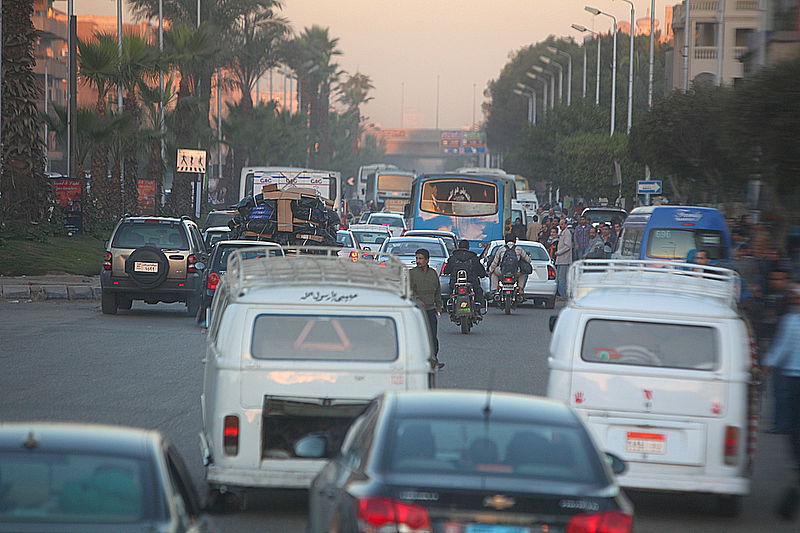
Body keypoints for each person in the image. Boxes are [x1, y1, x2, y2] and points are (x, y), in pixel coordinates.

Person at [762, 289, 800, 518]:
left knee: (794, 430)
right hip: (792, 378)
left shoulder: (790, 320)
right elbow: (782, 348)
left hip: (792, 380)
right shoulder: (790, 320)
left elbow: (780, 349)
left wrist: (767, 366)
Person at [409, 248, 444, 368]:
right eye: (417, 258)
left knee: (432, 336)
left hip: (430, 310)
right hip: (417, 311)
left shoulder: (433, 273)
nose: (418, 261)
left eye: (421, 258)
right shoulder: (412, 273)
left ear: (427, 260)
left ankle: (434, 360)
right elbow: (408, 291)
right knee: (418, 336)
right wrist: (417, 300)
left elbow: (438, 290)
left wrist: (439, 306)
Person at [443, 239, 487, 307]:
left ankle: (451, 304)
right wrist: (483, 274)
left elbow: (446, 270)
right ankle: (478, 306)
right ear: (468, 247)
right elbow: (481, 271)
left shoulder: (453, 258)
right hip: (472, 282)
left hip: (455, 282)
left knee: (451, 293)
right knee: (478, 294)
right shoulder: (474, 258)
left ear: (459, 247)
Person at [554, 219, 573, 298]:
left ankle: (563, 295)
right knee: (558, 278)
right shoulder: (562, 233)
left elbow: (567, 246)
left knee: (562, 279)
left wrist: (559, 252)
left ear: (565, 224)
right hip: (560, 260)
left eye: (562, 224)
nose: (561, 226)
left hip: (564, 259)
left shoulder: (567, 233)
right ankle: (560, 294)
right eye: (560, 224)